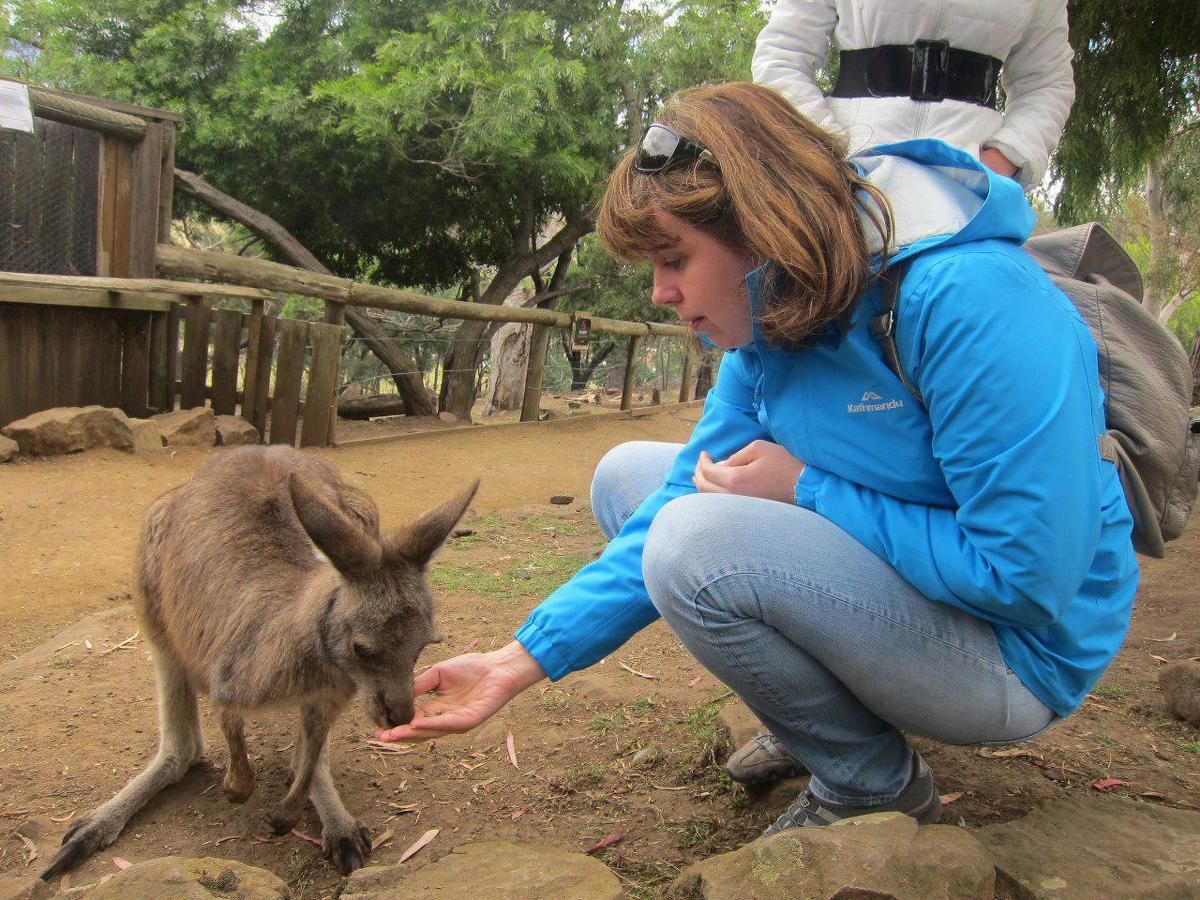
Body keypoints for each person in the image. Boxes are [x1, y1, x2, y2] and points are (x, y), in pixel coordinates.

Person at [377, 81, 1138, 834]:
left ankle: (871, 787)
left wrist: (808, 488)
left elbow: (1026, 581)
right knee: (631, 481)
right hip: (914, 598)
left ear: (763, 226)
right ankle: (828, 719)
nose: (659, 293)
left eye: (674, 259)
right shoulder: (771, 317)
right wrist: (517, 660)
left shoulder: (972, 301)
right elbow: (675, 499)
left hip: (1014, 658)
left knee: (696, 544)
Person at [752, 0, 1075, 188]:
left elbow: (1047, 82)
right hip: (843, 183)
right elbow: (782, 57)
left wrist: (1003, 160)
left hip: (970, 190)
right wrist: (830, 157)